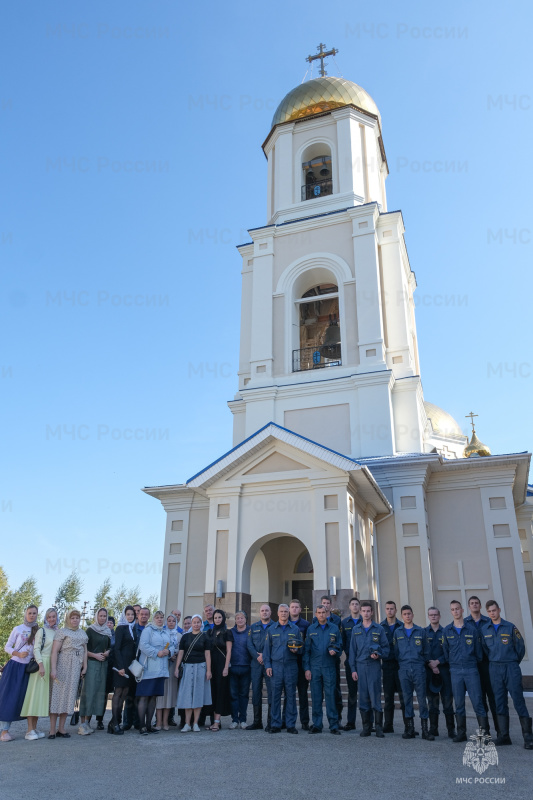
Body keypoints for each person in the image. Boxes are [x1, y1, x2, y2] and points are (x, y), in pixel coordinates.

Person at [481, 600, 533, 749]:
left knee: (518, 700)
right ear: (488, 613)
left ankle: (528, 737)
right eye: (490, 611)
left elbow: (520, 647)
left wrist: (512, 661)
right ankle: (504, 736)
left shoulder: (510, 627)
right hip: (494, 668)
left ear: (499, 610)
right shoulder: (485, 629)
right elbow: (485, 649)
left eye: (494, 610)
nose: (492, 613)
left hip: (511, 666)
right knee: (499, 701)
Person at [441, 599, 488, 743]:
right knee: (459, 704)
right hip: (455, 671)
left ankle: (484, 735)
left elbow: (479, 653)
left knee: (478, 703)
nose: (455, 611)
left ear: (462, 611)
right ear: (451, 612)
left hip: (471, 669)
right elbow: (445, 651)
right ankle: (461, 733)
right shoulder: (447, 631)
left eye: (457, 609)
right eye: (453, 609)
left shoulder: (472, 630)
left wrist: (470, 662)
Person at [392, 604, 434, 741]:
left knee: (422, 699)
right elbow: (396, 652)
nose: (407, 616)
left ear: (413, 615)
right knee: (407, 698)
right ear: (402, 616)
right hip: (404, 668)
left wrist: (422, 663)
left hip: (418, 668)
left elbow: (426, 651)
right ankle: (409, 729)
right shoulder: (398, 632)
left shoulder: (420, 631)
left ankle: (425, 730)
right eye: (405, 614)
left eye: (409, 613)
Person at [349, 601, 389, 737]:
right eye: (363, 611)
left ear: (372, 612)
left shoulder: (379, 629)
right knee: (363, 697)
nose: (366, 614)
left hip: (374, 666)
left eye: (368, 611)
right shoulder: (356, 629)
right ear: (360, 612)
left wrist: (379, 655)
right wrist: (353, 669)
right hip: (360, 666)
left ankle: (378, 727)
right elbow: (352, 651)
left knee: (375, 696)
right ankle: (366, 727)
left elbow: (386, 649)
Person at [0, 605, 39, 742]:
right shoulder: (17, 629)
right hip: (15, 666)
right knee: (8, 697)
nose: (32, 615)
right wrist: (18, 653)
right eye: (30, 613)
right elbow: (7, 647)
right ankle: (4, 731)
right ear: (25, 613)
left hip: (28, 669)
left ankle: (32, 729)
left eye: (34, 613)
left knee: (26, 699)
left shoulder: (38, 631)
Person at [263, 604, 303, 734]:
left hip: (291, 666)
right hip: (276, 667)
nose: (284, 613)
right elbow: (266, 651)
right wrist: (268, 666)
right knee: (275, 696)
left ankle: (290, 724)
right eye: (282, 611)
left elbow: (301, 647)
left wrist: (297, 650)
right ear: (278, 613)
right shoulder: (271, 629)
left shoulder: (295, 629)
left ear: (288, 613)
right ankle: (275, 724)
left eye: (286, 611)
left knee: (291, 696)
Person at [49, 608, 88, 739]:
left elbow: (85, 651)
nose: (75, 620)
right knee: (57, 696)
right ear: (68, 619)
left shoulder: (83, 633)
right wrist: (53, 669)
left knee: (69, 696)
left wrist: (85, 666)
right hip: (63, 664)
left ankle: (62, 728)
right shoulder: (62, 632)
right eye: (72, 618)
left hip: (76, 666)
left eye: (77, 618)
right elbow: (54, 651)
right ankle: (52, 729)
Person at [304, 605, 342, 734]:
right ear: (315, 614)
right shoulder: (311, 629)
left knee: (331, 696)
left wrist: (335, 652)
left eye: (323, 612)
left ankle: (333, 725)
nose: (321, 615)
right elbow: (306, 651)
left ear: (327, 613)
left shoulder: (334, 628)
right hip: (315, 668)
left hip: (329, 667)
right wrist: (307, 668)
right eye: (319, 612)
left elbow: (339, 646)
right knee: (316, 696)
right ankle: (317, 724)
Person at [21, 608, 59, 740]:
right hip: (41, 664)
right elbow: (36, 649)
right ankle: (29, 730)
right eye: (49, 617)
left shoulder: (57, 632)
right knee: (33, 697)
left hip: (51, 665)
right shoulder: (41, 631)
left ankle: (34, 729)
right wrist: (41, 665)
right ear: (45, 618)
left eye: (54, 616)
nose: (51, 619)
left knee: (40, 698)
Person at [465, 595, 499, 736]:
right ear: (469, 606)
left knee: (493, 698)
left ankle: (501, 731)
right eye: (472, 603)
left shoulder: (488, 621)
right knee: (479, 699)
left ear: (480, 606)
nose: (474, 605)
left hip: (488, 664)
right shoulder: (465, 623)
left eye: (476, 603)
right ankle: (485, 732)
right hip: (474, 666)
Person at [136, 610, 173, 735]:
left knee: (153, 698)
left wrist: (169, 651)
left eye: (161, 617)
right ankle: (141, 726)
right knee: (145, 697)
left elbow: (172, 645)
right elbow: (143, 645)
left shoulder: (166, 631)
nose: (159, 619)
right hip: (148, 669)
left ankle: (149, 725)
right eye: (157, 617)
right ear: (153, 619)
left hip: (161, 670)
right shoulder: (148, 630)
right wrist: (157, 652)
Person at [175, 614, 212, 732]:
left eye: (198, 622)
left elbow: (207, 654)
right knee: (187, 695)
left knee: (198, 694)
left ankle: (195, 723)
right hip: (187, 667)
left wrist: (209, 670)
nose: (196, 624)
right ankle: (187, 723)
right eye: (194, 622)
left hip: (200, 666)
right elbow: (180, 653)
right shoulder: (185, 637)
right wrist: (177, 668)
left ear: (201, 624)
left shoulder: (205, 637)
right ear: (191, 623)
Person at [79, 607, 112, 732]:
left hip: (103, 666)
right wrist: (95, 655)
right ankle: (83, 723)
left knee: (97, 694)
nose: (103, 618)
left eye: (105, 616)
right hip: (91, 664)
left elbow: (109, 647)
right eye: (101, 616)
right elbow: (83, 649)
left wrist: (107, 652)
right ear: (96, 616)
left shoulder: (107, 631)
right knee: (88, 692)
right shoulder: (90, 630)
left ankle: (89, 722)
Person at [425, 606, 455, 738]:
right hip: (429, 671)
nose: (433, 617)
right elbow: (423, 651)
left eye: (435, 615)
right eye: (431, 615)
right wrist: (431, 664)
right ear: (428, 616)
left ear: (439, 616)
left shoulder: (446, 631)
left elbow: (450, 651)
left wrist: (438, 662)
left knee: (447, 701)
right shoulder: (423, 632)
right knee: (432, 702)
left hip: (444, 671)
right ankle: (433, 729)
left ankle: (451, 730)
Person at [109, 605, 137, 735]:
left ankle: (114, 722)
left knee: (124, 693)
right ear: (124, 615)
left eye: (132, 614)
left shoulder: (133, 628)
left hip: (130, 666)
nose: (130, 616)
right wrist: (120, 667)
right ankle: (115, 723)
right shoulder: (121, 628)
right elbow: (117, 648)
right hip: (120, 666)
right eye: (128, 614)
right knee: (118, 693)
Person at [379, 600, 407, 734]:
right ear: (385, 610)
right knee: (388, 697)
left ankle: (408, 725)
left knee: (404, 697)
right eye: (387, 608)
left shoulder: (402, 626)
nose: (390, 611)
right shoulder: (380, 627)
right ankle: (388, 725)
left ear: (396, 611)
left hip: (400, 665)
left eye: (392, 609)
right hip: (387, 666)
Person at [246, 603, 275, 731]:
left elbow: (276, 644)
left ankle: (270, 721)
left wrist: (265, 656)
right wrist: (257, 656)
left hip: (270, 664)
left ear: (270, 612)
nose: (264, 612)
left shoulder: (275, 626)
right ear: (259, 613)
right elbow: (249, 644)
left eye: (266, 610)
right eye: (262, 610)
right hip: (256, 664)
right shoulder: (253, 627)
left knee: (271, 692)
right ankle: (257, 721)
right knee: (256, 692)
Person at [284, 600, 310, 730]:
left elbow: (307, 645)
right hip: (288, 664)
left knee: (303, 694)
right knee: (289, 693)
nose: (294, 609)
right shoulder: (284, 623)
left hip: (301, 663)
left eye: (296, 607)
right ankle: (286, 721)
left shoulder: (306, 625)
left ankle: (304, 722)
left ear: (300, 609)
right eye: (292, 607)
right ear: (289, 609)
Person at [122, 607, 150, 730]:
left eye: (146, 614)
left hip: (146, 667)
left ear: (149, 616)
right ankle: (127, 722)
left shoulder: (150, 630)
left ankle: (139, 722)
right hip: (133, 665)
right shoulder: (132, 628)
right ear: (137, 616)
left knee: (142, 696)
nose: (143, 616)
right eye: (141, 614)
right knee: (130, 695)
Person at [207, 609, 232, 730]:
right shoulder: (209, 632)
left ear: (223, 618)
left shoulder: (227, 632)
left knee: (220, 692)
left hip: (222, 665)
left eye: (219, 617)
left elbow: (229, 651)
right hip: (211, 666)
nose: (217, 619)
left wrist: (226, 667)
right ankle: (213, 721)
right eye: (215, 617)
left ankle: (217, 722)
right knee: (212, 692)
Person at [156, 613, 182, 730]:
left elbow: (181, 651)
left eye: (173, 621)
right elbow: (160, 649)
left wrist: (174, 655)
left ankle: (166, 722)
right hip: (162, 666)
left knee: (169, 694)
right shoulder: (162, 634)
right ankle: (158, 722)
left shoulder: (179, 635)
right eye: (169, 620)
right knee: (160, 695)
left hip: (173, 667)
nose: (171, 622)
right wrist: (168, 655)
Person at [340, 597, 362, 731]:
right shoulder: (344, 623)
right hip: (350, 661)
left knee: (367, 693)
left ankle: (369, 722)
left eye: (356, 604)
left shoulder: (365, 621)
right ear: (349, 607)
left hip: (364, 661)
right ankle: (351, 722)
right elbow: (342, 642)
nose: (354, 606)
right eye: (352, 604)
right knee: (352, 693)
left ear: (359, 607)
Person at [320, 595, 342, 721]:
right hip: (320, 661)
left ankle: (337, 718)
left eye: (328, 603)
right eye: (323, 603)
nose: (326, 605)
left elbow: (338, 639)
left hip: (333, 660)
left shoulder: (336, 620)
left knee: (335, 689)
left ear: (330, 605)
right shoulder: (315, 620)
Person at [229, 610, 251, 729]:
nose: (240, 620)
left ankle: (243, 719)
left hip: (246, 667)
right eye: (238, 618)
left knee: (244, 694)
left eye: (242, 618)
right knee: (233, 695)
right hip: (233, 667)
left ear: (245, 619)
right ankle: (234, 719)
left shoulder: (250, 631)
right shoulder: (231, 632)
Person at [96, 614, 116, 730]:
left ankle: (114, 720)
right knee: (101, 695)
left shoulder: (116, 636)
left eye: (111, 623)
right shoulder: (100, 633)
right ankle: (99, 720)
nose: (109, 624)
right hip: (101, 665)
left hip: (112, 668)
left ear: (113, 625)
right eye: (107, 622)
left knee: (112, 695)